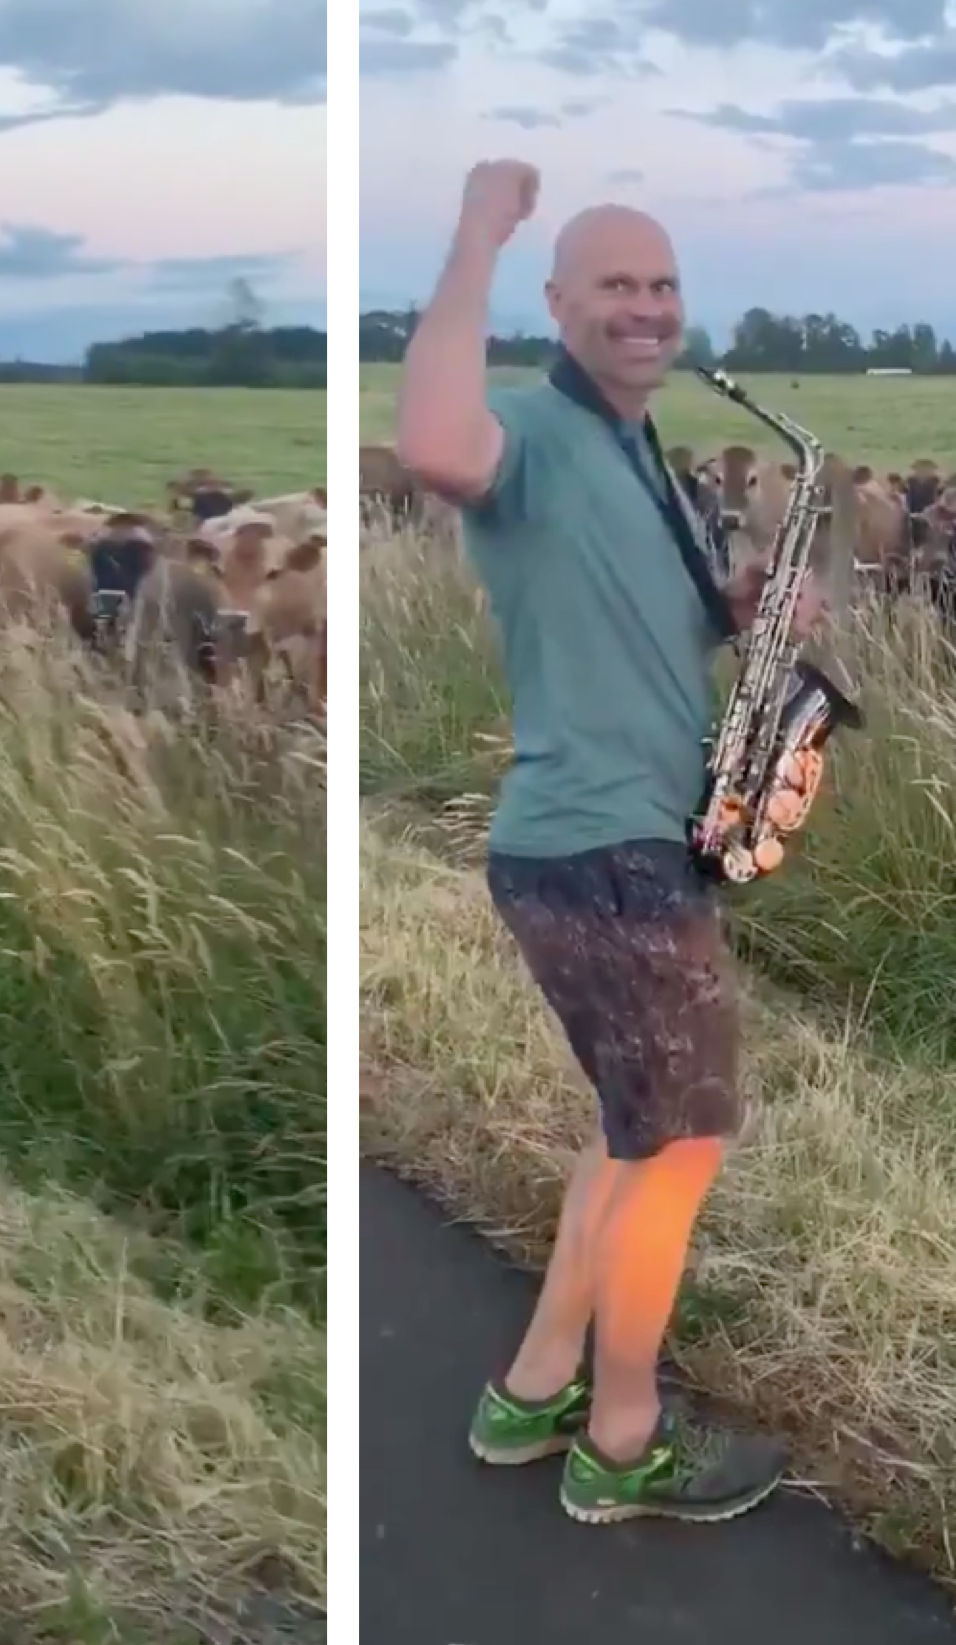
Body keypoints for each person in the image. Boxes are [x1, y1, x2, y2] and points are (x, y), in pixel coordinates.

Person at [390, 161, 823, 1527]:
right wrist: (474, 232)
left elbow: (647, 626)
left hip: (624, 841)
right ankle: (624, 1442)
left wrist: (750, 607)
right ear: (559, 303)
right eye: (615, 286)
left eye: (662, 284)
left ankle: (533, 1387)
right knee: (681, 1144)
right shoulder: (525, 430)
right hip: (601, 853)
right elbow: (434, 445)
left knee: (631, 1136)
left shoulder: (637, 452)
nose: (646, 308)